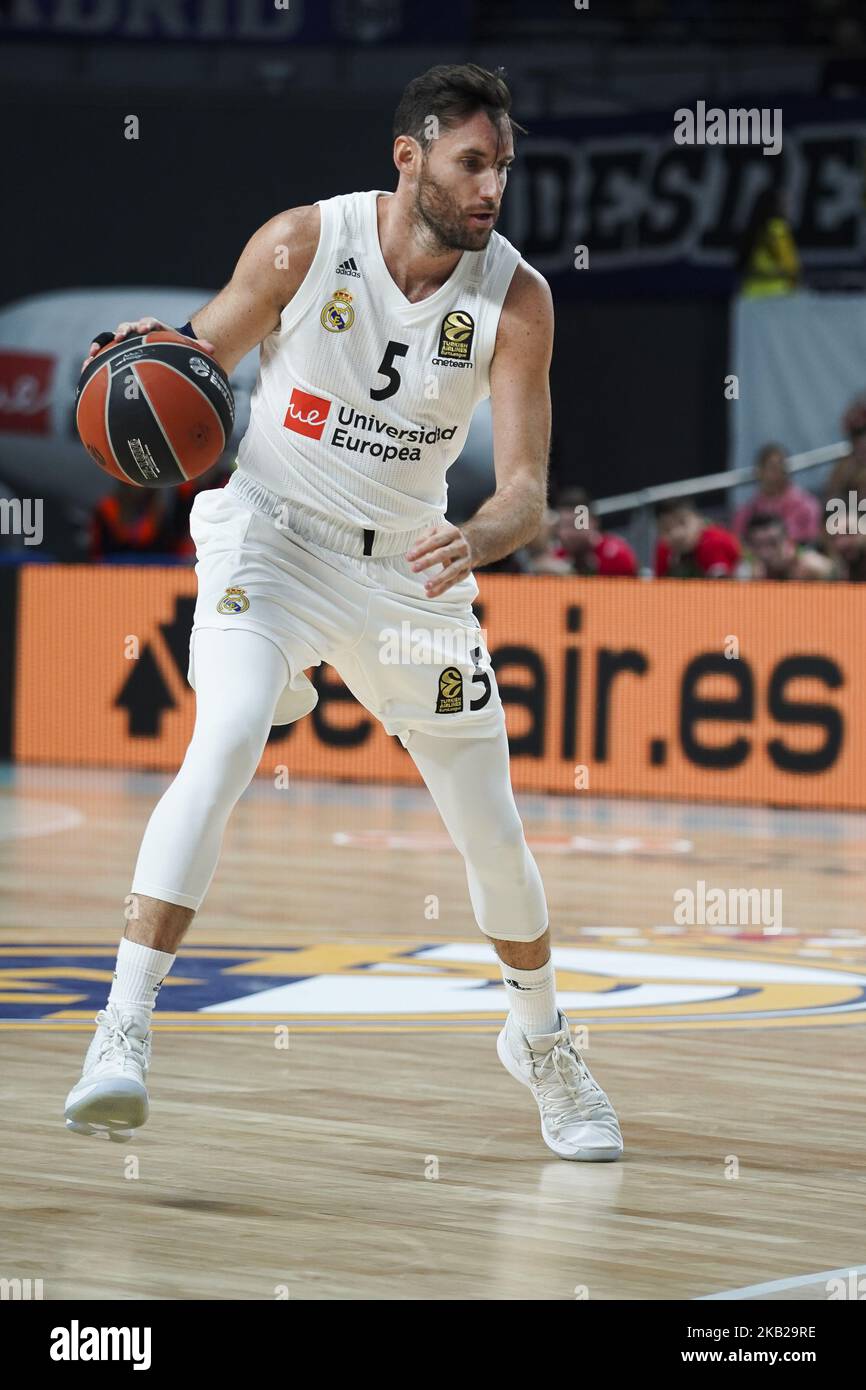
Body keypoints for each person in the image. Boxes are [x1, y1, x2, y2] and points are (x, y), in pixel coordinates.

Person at [64, 64, 622, 1163]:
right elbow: (196, 361)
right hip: (268, 534)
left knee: (492, 832)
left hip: (409, 575)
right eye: (472, 163)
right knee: (221, 737)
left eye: (502, 167)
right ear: (407, 156)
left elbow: (523, 489)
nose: (491, 188)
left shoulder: (515, 300)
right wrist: (141, 371)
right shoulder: (300, 244)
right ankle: (120, 1029)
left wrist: (485, 535)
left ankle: (541, 1042)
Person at [732, 443, 821, 545]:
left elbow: (812, 540)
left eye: (782, 467)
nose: (778, 472)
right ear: (758, 472)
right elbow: (738, 544)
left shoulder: (806, 506)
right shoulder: (746, 513)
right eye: (772, 467)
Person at [550, 486, 637, 576]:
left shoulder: (616, 557)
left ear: (594, 522)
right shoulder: (554, 560)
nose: (570, 533)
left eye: (577, 525)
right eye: (564, 525)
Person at [736, 188, 801, 298]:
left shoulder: (752, 229)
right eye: (784, 202)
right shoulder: (777, 229)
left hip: (750, 290)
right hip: (776, 292)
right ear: (777, 205)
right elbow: (790, 265)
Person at [654, 497, 740, 577]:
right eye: (666, 529)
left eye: (682, 523)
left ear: (699, 520)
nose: (676, 534)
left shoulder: (713, 543)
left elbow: (721, 589)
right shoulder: (663, 550)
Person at [739, 512, 836, 581]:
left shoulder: (813, 566)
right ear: (750, 548)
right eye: (759, 545)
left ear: (787, 541)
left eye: (773, 543)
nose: (766, 553)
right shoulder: (754, 576)